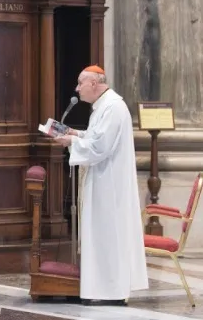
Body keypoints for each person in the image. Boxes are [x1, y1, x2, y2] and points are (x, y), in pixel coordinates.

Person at [54, 65, 149, 305]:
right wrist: (75, 134)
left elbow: (101, 147)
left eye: (80, 83)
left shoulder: (114, 107)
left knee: (109, 237)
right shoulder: (104, 106)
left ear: (94, 83)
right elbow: (96, 138)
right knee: (102, 237)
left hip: (110, 187)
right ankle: (101, 290)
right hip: (103, 182)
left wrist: (72, 143)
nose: (77, 88)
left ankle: (112, 293)